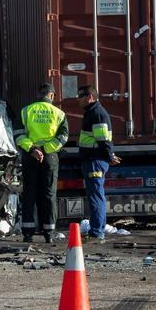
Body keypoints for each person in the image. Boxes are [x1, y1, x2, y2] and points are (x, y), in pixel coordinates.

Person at [15, 83, 69, 244]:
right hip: (50, 157)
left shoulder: (26, 111)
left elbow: (18, 134)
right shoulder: (59, 113)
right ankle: (49, 232)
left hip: (30, 156)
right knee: (49, 194)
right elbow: (63, 137)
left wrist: (33, 149)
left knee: (29, 194)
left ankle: (28, 233)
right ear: (52, 96)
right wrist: (45, 150)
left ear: (39, 94)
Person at [77, 85, 121, 243]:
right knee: (97, 195)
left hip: (95, 161)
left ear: (89, 97)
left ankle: (97, 232)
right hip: (93, 159)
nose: (78, 99)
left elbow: (103, 139)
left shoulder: (96, 113)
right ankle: (98, 229)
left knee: (96, 196)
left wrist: (110, 156)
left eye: (80, 96)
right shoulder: (93, 112)